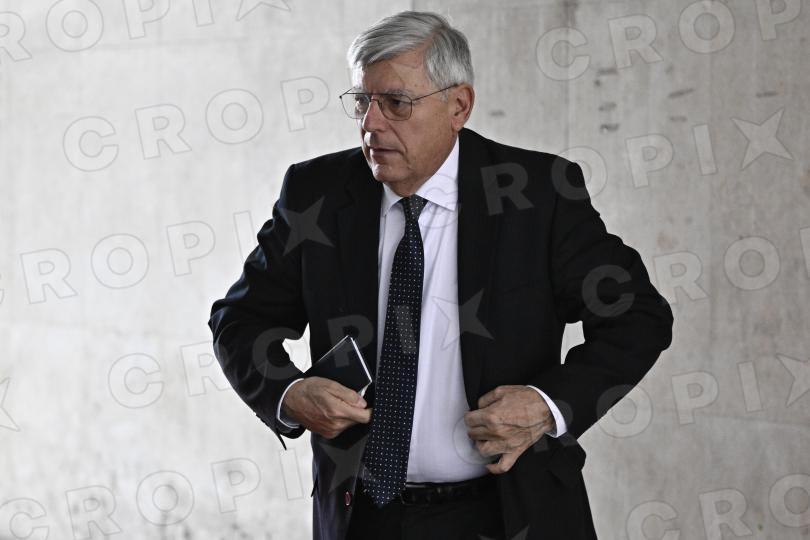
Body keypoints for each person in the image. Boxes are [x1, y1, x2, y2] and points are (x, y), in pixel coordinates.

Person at [208, 10, 673, 540]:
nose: (371, 123)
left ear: (459, 106)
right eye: (362, 101)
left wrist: (547, 406)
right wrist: (288, 393)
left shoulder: (537, 193)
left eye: (396, 103)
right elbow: (239, 320)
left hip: (506, 511)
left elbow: (639, 317)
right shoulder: (316, 193)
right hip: (363, 516)